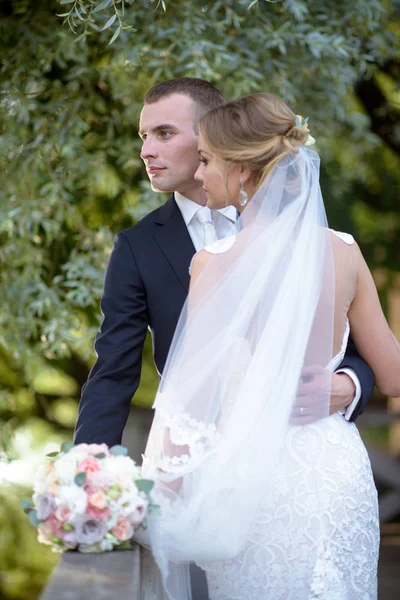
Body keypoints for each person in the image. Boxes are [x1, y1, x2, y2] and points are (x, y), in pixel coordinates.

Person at [139, 93, 400, 600]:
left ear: (240, 171)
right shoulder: (343, 250)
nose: (202, 173)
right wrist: (348, 382)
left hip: (254, 487)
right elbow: (393, 375)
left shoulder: (214, 263)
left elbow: (187, 410)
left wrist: (151, 505)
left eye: (209, 161)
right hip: (337, 473)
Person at [74, 78, 373, 450]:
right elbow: (112, 374)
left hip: (299, 447)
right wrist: (86, 472)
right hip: (197, 454)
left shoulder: (298, 228)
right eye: (143, 136)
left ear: (209, 136)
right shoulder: (137, 247)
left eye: (164, 134)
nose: (146, 151)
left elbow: (358, 340)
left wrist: (350, 384)